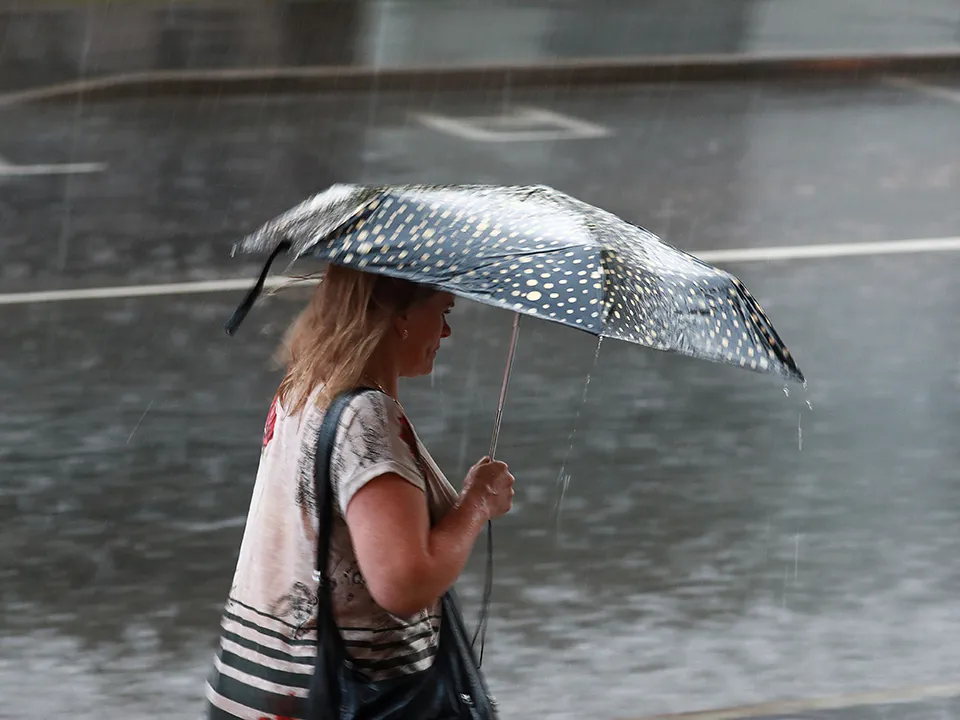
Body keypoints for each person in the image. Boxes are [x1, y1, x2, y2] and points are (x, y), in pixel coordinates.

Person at [205, 263, 515, 720]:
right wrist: (476, 505)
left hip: (258, 686)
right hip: (342, 698)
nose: (447, 332)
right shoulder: (366, 419)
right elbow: (404, 583)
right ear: (401, 316)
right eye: (444, 311)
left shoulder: (302, 392)